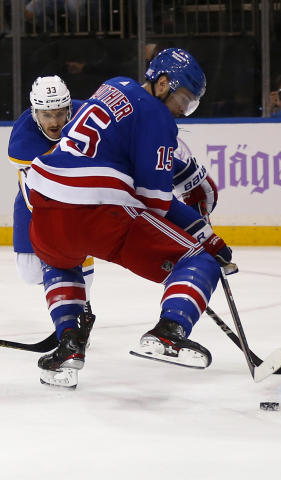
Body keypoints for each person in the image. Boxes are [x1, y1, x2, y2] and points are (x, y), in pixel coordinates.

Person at [26, 48, 228, 388]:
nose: (183, 111)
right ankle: (170, 331)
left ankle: (69, 344)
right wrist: (203, 234)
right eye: (184, 100)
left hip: (44, 202)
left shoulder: (112, 85)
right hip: (98, 209)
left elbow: (113, 148)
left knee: (60, 262)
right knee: (200, 261)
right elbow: (155, 203)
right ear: (162, 84)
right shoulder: (158, 115)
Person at [7, 75, 96, 340]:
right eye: (46, 115)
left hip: (75, 203)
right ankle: (61, 290)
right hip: (35, 206)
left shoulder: (85, 113)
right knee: (29, 271)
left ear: (69, 108)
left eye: (59, 113)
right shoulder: (22, 142)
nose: (54, 121)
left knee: (82, 276)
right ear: (35, 114)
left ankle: (79, 313)